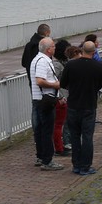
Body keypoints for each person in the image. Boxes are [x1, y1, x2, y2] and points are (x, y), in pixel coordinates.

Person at [60, 40, 102, 175]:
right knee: (87, 137)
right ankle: (86, 165)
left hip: (73, 104)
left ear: (82, 50)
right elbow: (99, 85)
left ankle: (76, 164)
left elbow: (63, 83)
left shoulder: (71, 65)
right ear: (94, 52)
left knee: (74, 135)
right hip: (89, 105)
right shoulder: (98, 66)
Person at [29, 37, 63, 171]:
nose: (55, 48)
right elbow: (39, 81)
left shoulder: (37, 59)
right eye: (53, 46)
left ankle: (41, 157)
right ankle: (47, 160)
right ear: (49, 49)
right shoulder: (42, 62)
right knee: (47, 130)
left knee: (40, 130)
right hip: (45, 100)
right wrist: (55, 85)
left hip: (39, 99)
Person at [52, 39, 72, 157]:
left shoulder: (62, 64)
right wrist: (59, 96)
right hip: (62, 97)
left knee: (66, 121)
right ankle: (64, 143)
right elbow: (54, 81)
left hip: (65, 95)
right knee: (62, 122)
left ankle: (66, 141)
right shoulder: (57, 65)